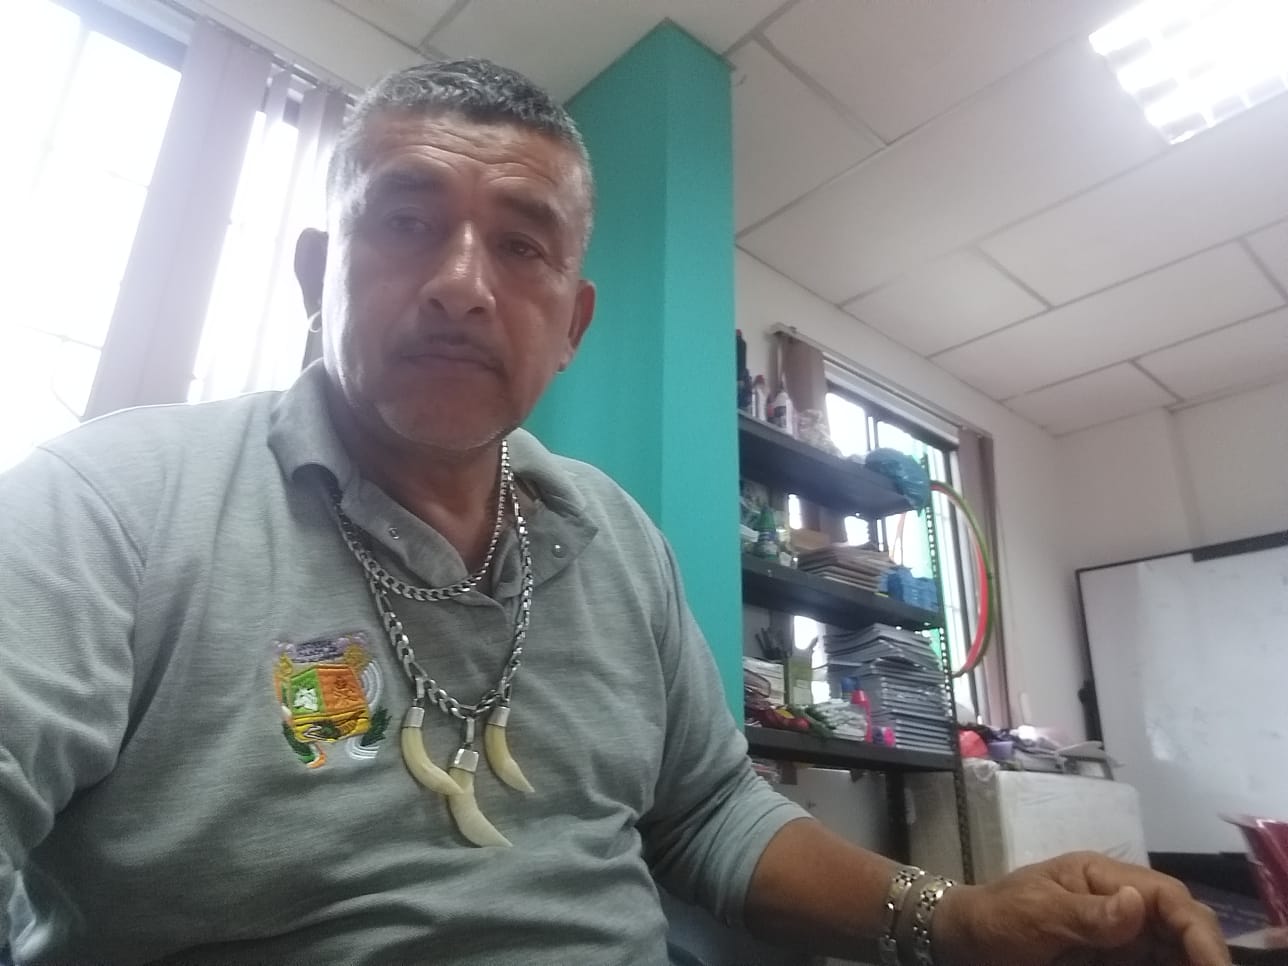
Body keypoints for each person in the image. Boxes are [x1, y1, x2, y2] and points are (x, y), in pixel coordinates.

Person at [0, 58, 1228, 966]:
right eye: (407, 222)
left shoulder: (616, 539)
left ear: (572, 326)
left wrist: (956, 920)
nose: (462, 285)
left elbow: (711, 813)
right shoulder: (114, 503)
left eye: (521, 247)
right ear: (321, 274)